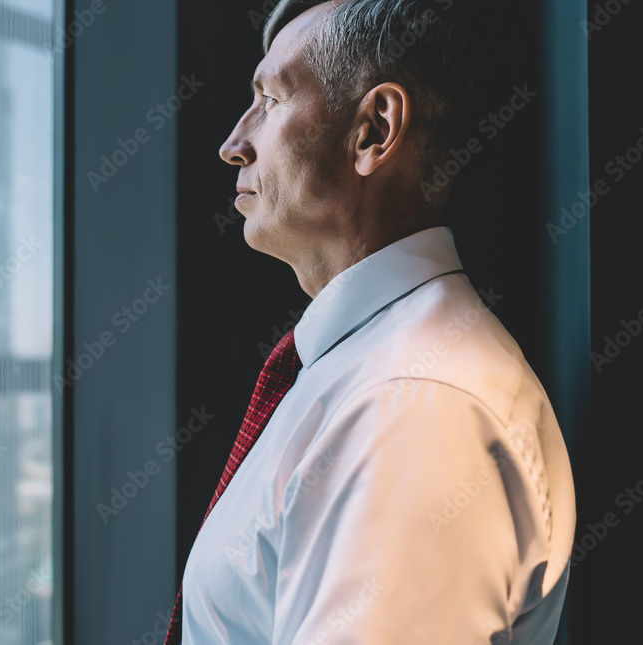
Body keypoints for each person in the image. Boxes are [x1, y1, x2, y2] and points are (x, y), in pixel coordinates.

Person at [165, 0, 577, 643]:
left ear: (374, 132)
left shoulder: (416, 405)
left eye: (269, 100)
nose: (232, 145)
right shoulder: (374, 375)